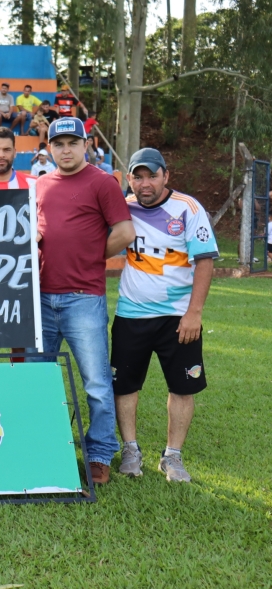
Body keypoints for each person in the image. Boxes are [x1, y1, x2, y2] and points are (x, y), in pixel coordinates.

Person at [34, 117, 136, 485]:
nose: (65, 150)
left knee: (95, 382)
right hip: (41, 298)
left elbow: (125, 232)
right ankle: (43, 443)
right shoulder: (41, 184)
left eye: (72, 143)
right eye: (58, 143)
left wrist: (92, 256)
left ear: (86, 143)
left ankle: (98, 454)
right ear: (49, 147)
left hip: (83, 298)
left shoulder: (102, 182)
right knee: (37, 376)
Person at [112, 147, 218, 483]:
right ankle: (130, 449)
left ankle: (173, 456)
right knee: (124, 385)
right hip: (131, 314)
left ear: (165, 176)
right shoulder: (123, 209)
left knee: (182, 387)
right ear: (129, 179)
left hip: (178, 317)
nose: (145, 183)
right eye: (138, 176)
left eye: (152, 176)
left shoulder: (188, 208)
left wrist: (194, 313)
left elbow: (205, 261)